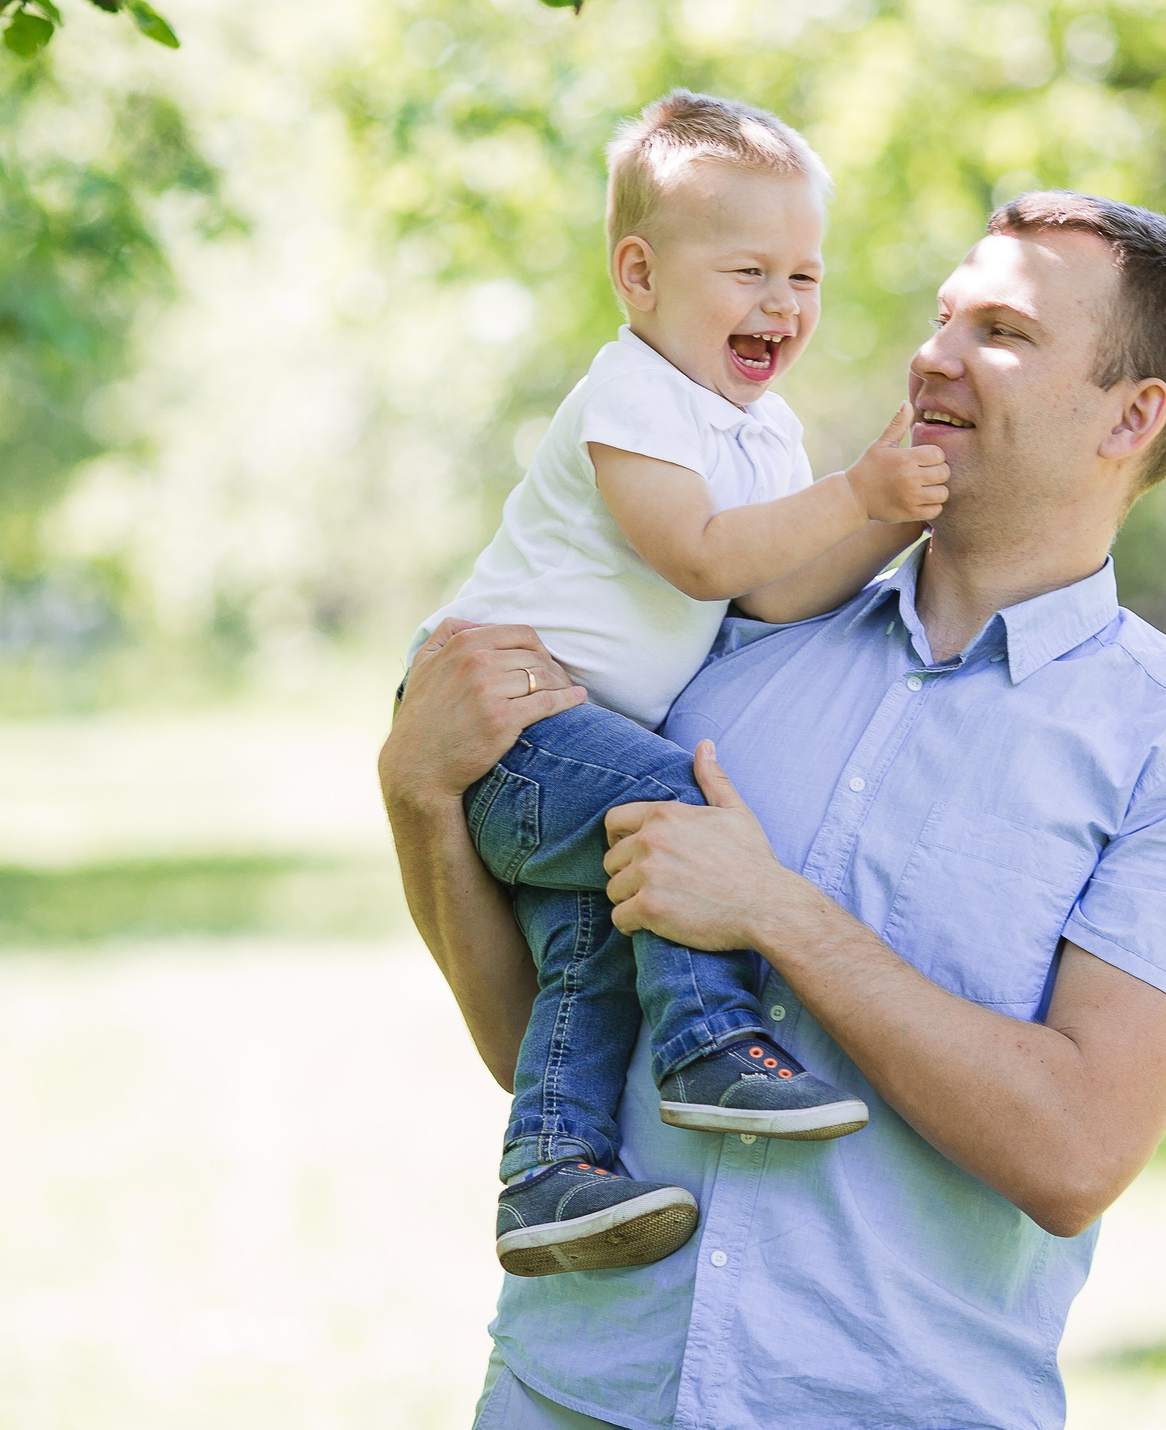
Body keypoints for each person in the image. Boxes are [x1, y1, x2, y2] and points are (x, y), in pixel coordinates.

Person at [384, 190, 1166, 1430]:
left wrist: (773, 913)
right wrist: (421, 797)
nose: (934, 356)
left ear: (1131, 417)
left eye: (1003, 334)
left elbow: (1076, 1154)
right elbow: (543, 1040)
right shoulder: (718, 644)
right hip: (572, 1397)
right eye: (941, 316)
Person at [408, 91, 952, 1279]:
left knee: (591, 948)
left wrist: (888, 529)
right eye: (748, 270)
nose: (781, 304)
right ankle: (710, 1046)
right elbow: (699, 553)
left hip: (566, 745)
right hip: (505, 728)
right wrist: (859, 494)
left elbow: (766, 594)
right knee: (674, 806)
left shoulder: (766, 432)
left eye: (805, 278)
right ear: (640, 276)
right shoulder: (631, 397)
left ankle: (550, 1170)